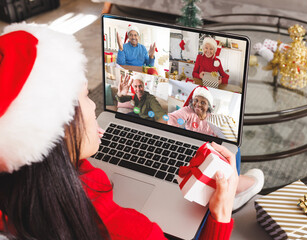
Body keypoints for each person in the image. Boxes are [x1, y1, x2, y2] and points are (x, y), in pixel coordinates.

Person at [0, 23, 265, 240]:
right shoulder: (134, 232)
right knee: (221, 175)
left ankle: (233, 185)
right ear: (58, 130)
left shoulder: (15, 190)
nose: (94, 105)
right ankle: (228, 192)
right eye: (85, 96)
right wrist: (220, 215)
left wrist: (78, 147)